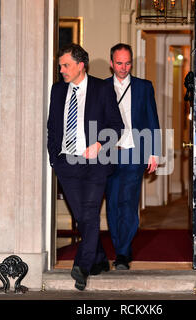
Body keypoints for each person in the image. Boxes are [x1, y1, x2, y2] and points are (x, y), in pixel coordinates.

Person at [47, 43, 124, 290]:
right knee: (82, 217)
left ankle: (82, 265)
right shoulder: (57, 91)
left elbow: (117, 125)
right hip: (67, 163)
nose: (61, 70)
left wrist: (100, 144)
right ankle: (100, 258)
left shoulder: (102, 88)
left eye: (66, 65)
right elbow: (52, 126)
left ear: (81, 65)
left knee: (89, 212)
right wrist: (54, 158)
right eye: (60, 65)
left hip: (95, 163)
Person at [105, 43, 160, 270]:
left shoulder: (144, 87)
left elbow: (152, 119)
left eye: (127, 63)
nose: (123, 67)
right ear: (111, 63)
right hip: (108, 155)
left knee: (128, 204)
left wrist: (154, 152)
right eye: (119, 63)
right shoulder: (101, 87)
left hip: (133, 154)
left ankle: (123, 253)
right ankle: (119, 246)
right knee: (112, 204)